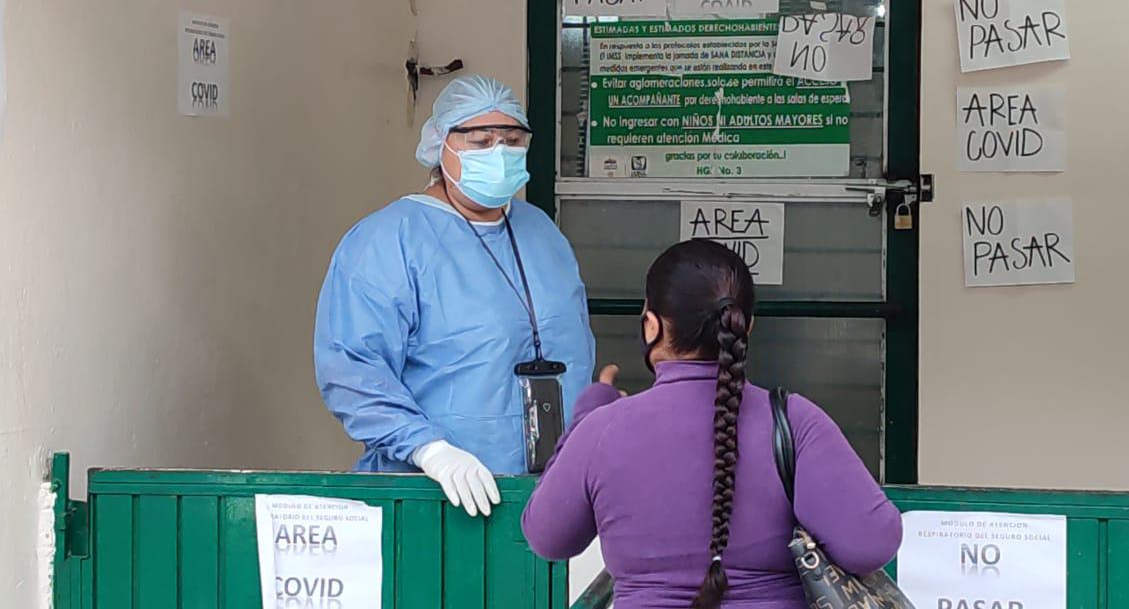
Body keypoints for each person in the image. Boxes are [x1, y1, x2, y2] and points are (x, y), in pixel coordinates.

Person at [521, 240, 902, 609]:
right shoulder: (795, 421)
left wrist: (587, 416)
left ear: (651, 326)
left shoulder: (602, 429)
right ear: (745, 327)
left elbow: (549, 538)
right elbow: (871, 543)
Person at [315, 75, 594, 517]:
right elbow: (351, 369)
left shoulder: (541, 232)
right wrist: (430, 450)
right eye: (481, 141)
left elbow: (574, 343)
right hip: (434, 494)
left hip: (550, 487)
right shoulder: (389, 241)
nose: (499, 153)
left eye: (512, 140)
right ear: (440, 144)